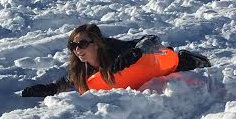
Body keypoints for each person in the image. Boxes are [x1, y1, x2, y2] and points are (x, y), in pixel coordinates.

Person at [21, 23, 211, 97]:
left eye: (83, 44)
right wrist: (50, 89)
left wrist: (135, 53)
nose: (77, 50)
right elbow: (67, 81)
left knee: (176, 66)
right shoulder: (82, 68)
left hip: (160, 65)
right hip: (136, 80)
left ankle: (190, 59)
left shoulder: (117, 51)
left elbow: (153, 39)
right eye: (73, 45)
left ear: (96, 43)